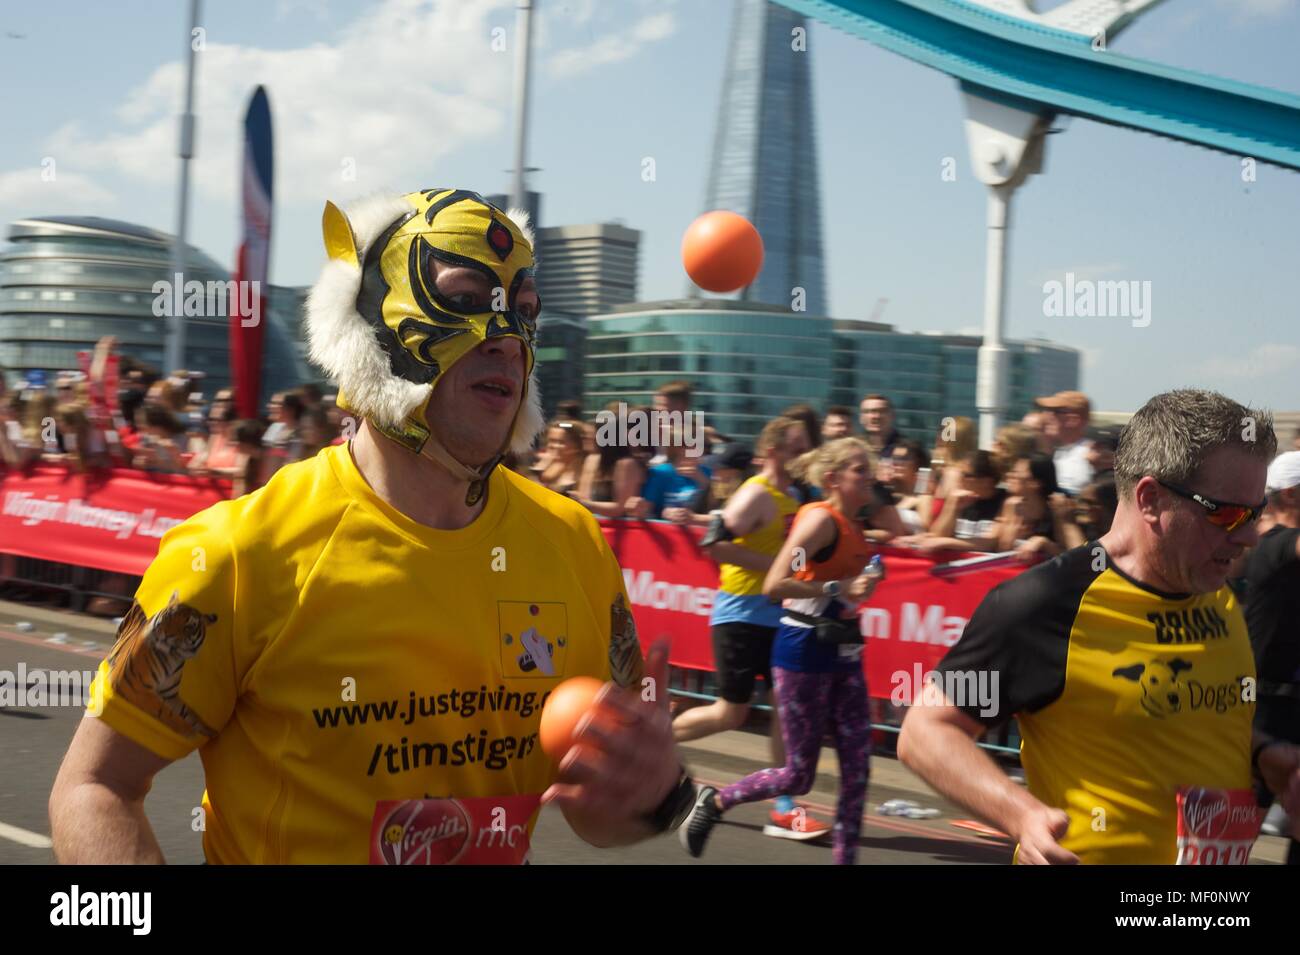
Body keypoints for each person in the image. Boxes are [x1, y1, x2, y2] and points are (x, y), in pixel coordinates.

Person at [50, 187, 691, 864]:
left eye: (523, 313)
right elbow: (94, 785)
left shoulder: (574, 544)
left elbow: (598, 821)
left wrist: (646, 796)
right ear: (371, 325)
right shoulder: (239, 553)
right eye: (468, 299)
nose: (506, 338)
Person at [898, 389, 1300, 864]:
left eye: (1256, 513)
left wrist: (1264, 755)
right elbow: (925, 731)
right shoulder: (1046, 603)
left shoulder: (1216, 590)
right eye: (1229, 514)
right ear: (1150, 499)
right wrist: (1021, 814)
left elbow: (1182, 715)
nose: (1251, 535)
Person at [682, 438, 881, 864]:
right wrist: (839, 587)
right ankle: (716, 802)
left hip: (845, 652)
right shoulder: (819, 522)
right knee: (799, 775)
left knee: (858, 771)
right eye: (860, 470)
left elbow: (836, 592)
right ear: (833, 479)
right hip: (803, 652)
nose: (872, 476)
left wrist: (858, 588)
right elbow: (775, 585)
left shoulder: (854, 526)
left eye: (871, 468)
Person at [672, 417, 830, 840]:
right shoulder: (755, 494)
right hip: (740, 617)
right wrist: (776, 568)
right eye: (798, 448)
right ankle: (650, 743)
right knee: (731, 712)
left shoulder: (794, 495)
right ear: (775, 450)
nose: (805, 455)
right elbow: (714, 543)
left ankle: (784, 803)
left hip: (779, 617)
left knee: (785, 704)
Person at [1244, 451, 1300, 865]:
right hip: (1262, 711)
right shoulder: (1275, 545)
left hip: (1288, 706)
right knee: (1229, 838)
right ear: (1292, 495)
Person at [905, 450, 1006, 554]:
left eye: (965, 474)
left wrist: (946, 542)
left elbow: (989, 543)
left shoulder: (1004, 502)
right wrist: (952, 507)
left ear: (986, 481)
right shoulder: (961, 498)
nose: (959, 478)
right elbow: (938, 535)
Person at [996, 453, 1075, 562]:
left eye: (1016, 473)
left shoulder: (1057, 508)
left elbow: (1073, 555)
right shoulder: (1012, 505)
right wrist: (1011, 531)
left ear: (1035, 483)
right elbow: (1002, 551)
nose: (1009, 476)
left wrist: (1044, 543)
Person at [1037, 390, 1093, 495]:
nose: (1046, 416)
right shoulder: (1052, 452)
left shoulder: (1089, 456)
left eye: (1055, 411)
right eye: (1046, 410)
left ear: (1074, 420)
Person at [537, 418, 585, 494]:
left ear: (576, 446)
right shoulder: (544, 470)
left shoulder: (584, 473)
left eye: (560, 442)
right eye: (550, 441)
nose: (552, 446)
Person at [859, 393, 903, 458]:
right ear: (861, 418)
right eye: (869, 411)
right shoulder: (853, 448)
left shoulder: (908, 449)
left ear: (893, 416)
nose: (876, 416)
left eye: (882, 411)